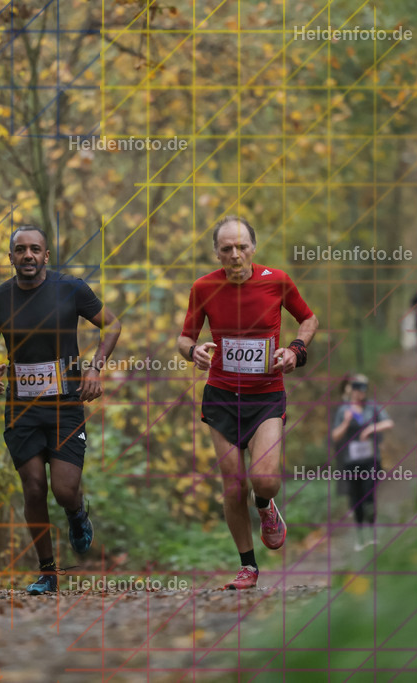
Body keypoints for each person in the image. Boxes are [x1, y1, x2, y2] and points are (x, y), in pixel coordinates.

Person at [0, 225, 121, 595]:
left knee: (64, 490)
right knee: (34, 487)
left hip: (66, 404)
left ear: (45, 255)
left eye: (35, 249)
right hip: (21, 408)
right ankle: (48, 572)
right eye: (20, 250)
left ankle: (76, 514)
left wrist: (95, 367)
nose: (28, 256)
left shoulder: (70, 289)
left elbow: (112, 325)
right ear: (10, 257)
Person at [177, 215, 319, 590]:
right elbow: (183, 338)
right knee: (232, 486)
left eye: (242, 247)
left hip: (266, 396)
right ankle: (248, 567)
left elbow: (308, 319)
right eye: (227, 249)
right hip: (222, 396)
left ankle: (266, 507)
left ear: (253, 248)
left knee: (265, 480)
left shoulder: (277, 281)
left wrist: (295, 349)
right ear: (217, 253)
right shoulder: (203, 287)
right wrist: (195, 352)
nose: (235, 255)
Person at [330, 373, 394, 551]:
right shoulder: (344, 410)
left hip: (371, 460)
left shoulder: (372, 407)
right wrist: (345, 423)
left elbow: (389, 422)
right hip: (351, 461)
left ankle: (371, 533)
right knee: (356, 498)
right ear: (352, 391)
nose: (360, 394)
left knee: (369, 494)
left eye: (363, 390)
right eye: (357, 390)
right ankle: (360, 536)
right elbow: (335, 436)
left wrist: (371, 428)